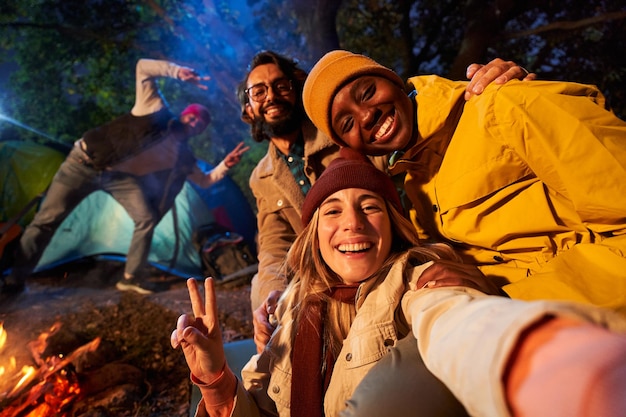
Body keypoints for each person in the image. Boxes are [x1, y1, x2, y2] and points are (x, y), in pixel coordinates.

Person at [171, 148, 626, 417]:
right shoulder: (294, 303)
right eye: (331, 210)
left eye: (370, 207)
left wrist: (552, 363)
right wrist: (213, 378)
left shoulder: (415, 278)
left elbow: (457, 321)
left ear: (391, 225)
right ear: (312, 234)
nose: (352, 224)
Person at [237, 51, 534, 348]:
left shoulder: (346, 132)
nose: (271, 96)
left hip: (383, 257)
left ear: (296, 91)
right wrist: (271, 295)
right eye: (258, 91)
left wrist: (483, 89)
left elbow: (413, 133)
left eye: (281, 86)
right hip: (327, 268)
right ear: (248, 110)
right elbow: (274, 244)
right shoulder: (262, 178)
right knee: (266, 296)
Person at [302, 50, 626, 315]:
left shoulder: (503, 103)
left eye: (368, 92)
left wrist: (510, 296)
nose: (366, 116)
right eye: (347, 123)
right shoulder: (418, 189)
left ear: (394, 81)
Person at [2, 58, 249, 295]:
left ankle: (130, 278)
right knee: (47, 220)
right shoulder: (155, 110)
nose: (195, 123)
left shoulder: (183, 156)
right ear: (184, 114)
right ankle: (15, 279)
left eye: (201, 124)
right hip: (82, 163)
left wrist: (225, 165)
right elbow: (143, 68)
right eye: (193, 116)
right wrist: (177, 72)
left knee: (145, 218)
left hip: (116, 178)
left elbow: (205, 180)